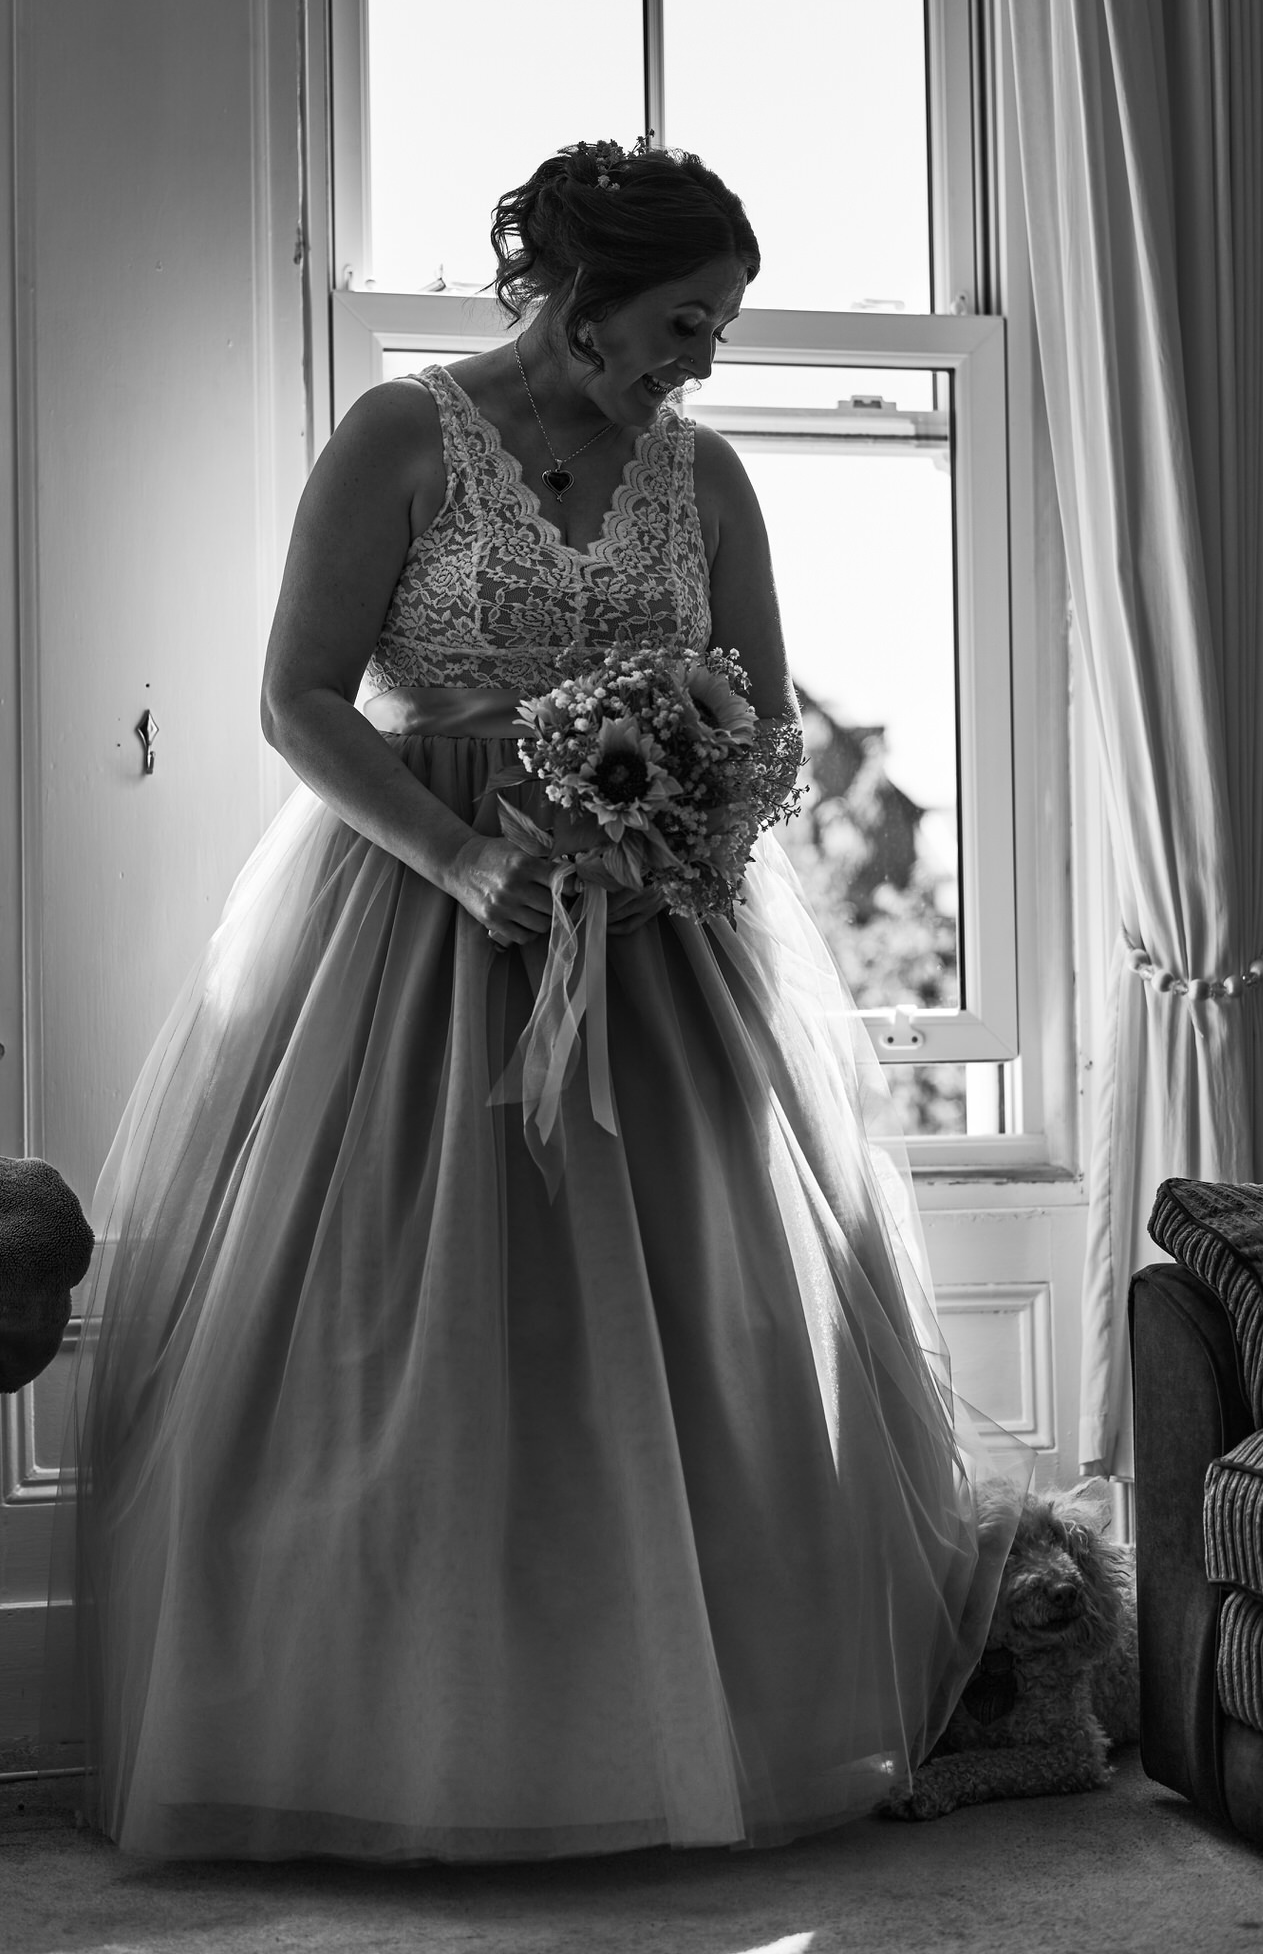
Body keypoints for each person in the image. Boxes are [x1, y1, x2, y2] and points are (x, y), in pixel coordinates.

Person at [47, 139, 1025, 1862]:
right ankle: (403, 1759)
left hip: (658, 944)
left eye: (714, 329)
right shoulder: (399, 441)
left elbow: (769, 723)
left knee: (700, 1338)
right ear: (578, 299)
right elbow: (295, 701)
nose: (700, 359)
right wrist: (461, 857)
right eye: (682, 319)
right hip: (416, 938)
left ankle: (681, 1738)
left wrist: (678, 836)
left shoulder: (705, 477)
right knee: (396, 1348)